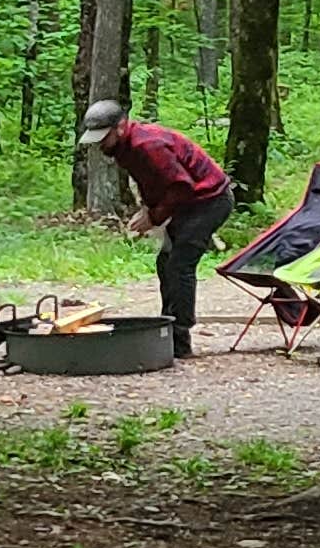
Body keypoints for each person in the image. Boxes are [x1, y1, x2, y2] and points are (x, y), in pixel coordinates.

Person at [77, 101, 236, 357]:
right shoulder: (124, 148)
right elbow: (151, 181)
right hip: (189, 203)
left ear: (120, 127)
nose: (99, 144)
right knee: (165, 262)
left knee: (180, 265)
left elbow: (181, 186)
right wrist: (146, 209)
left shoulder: (148, 145)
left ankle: (179, 338)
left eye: (103, 137)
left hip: (210, 201)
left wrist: (154, 216)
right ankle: (168, 327)